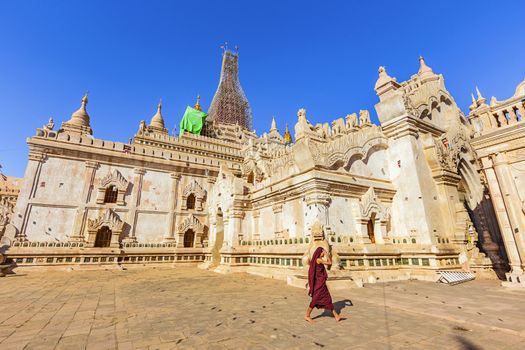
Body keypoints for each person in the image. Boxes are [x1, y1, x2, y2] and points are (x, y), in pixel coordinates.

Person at [305, 247, 344, 323]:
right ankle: (307, 315)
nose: (324, 253)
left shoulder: (318, 260)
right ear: (320, 252)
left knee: (328, 299)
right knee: (314, 300)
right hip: (319, 284)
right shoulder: (318, 260)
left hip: (321, 283)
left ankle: (336, 316)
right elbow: (330, 263)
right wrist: (326, 254)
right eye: (323, 252)